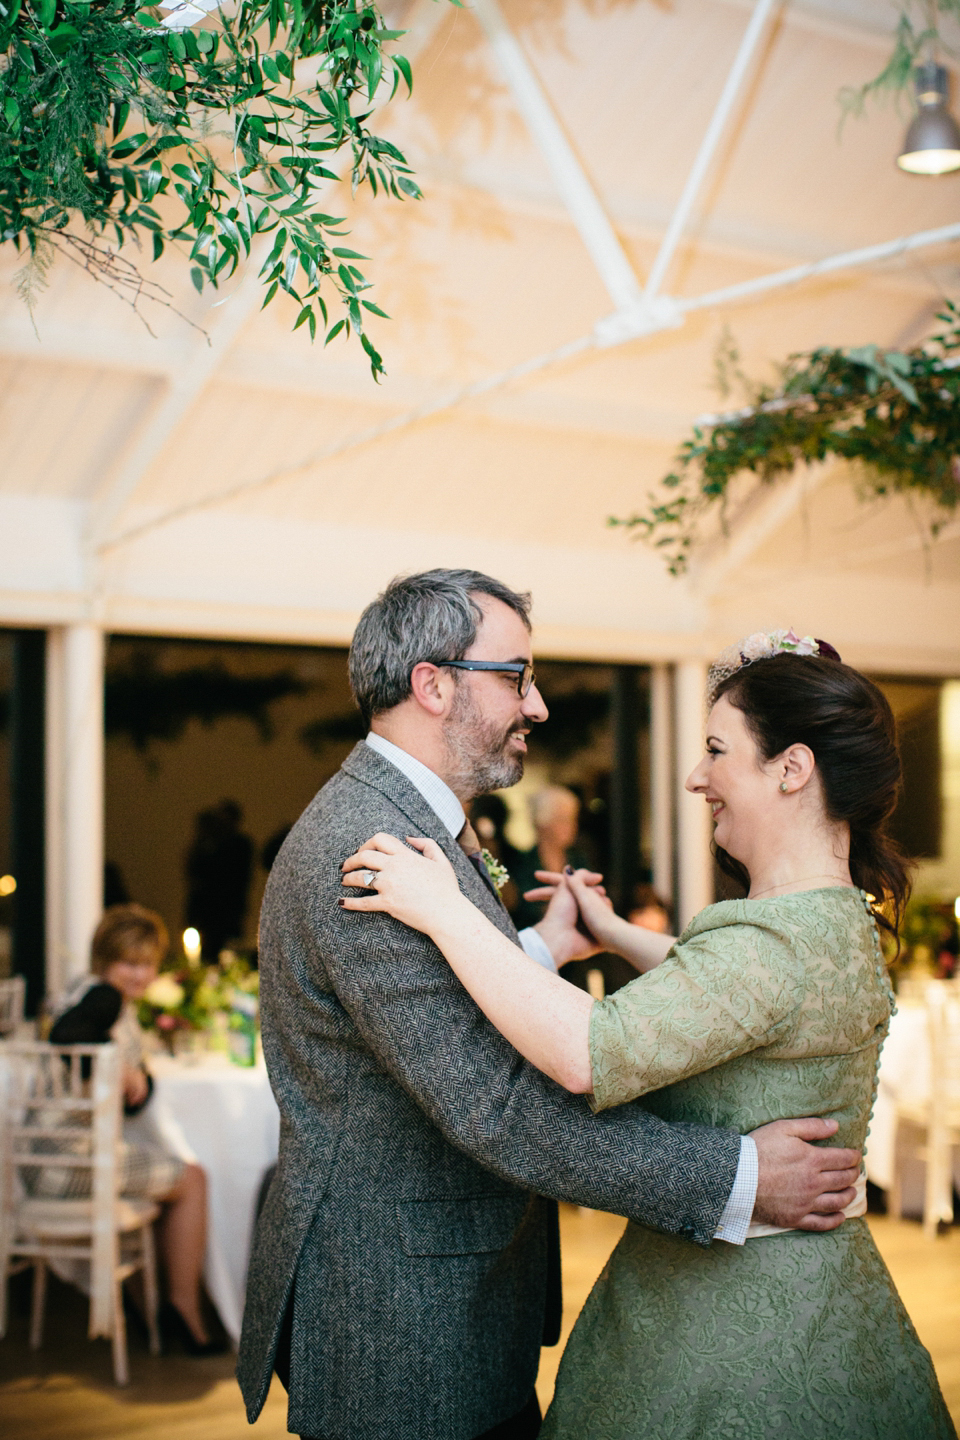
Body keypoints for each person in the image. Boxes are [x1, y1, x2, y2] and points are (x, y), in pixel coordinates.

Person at [237, 574, 861, 1440]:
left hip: (446, 1299)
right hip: (401, 1321)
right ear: (435, 684)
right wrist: (740, 1181)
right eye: (517, 676)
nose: (536, 705)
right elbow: (497, 1106)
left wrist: (544, 948)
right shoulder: (364, 848)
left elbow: (428, 1020)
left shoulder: (410, 823)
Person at [342, 627, 956, 1439]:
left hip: (734, 1333)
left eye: (715, 750)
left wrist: (446, 911)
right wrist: (618, 933)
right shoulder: (833, 920)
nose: (699, 778)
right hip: (824, 1294)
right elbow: (735, 994)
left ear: (791, 769)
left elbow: (583, 1052)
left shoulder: (770, 943)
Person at [49, 904, 225, 1356]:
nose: (139, 974)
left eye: (147, 964)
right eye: (129, 962)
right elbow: (65, 1035)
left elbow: (134, 1101)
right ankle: (182, 1309)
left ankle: (151, 1312)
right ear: (105, 961)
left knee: (163, 1178)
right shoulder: (102, 997)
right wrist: (121, 1065)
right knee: (194, 1179)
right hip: (69, 1161)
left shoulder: (104, 1000)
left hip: (57, 1157)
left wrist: (135, 1077)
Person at [184, 799, 254, 960]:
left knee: (228, 954)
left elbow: (233, 877)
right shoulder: (206, 844)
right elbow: (193, 872)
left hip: (227, 911)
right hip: (204, 911)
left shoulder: (240, 845)